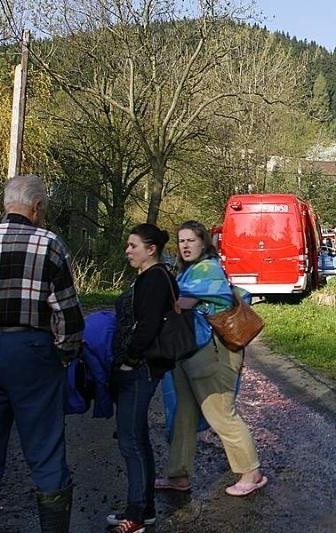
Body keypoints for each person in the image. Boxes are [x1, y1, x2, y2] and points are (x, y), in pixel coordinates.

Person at [0, 175, 85, 533]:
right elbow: (68, 313)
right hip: (31, 350)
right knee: (45, 446)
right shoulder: (48, 243)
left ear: (5, 205)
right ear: (37, 207)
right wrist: (64, 354)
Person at [155, 220, 267, 497]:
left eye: (191, 240)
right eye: (181, 241)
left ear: (203, 243)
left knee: (221, 413)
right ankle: (178, 475)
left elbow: (180, 303)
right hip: (189, 351)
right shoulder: (187, 272)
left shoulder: (207, 270)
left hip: (214, 353)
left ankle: (251, 472)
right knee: (184, 413)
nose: (185, 245)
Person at [107, 224, 178, 533]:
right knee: (135, 438)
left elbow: (147, 326)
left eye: (133, 245)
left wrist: (130, 361)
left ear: (151, 250)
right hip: (139, 367)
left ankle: (135, 515)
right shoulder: (149, 277)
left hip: (141, 368)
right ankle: (143, 508)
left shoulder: (156, 279)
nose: (127, 250)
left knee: (131, 440)